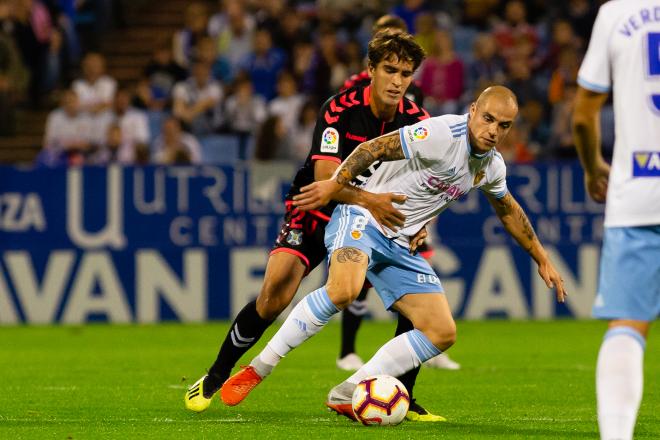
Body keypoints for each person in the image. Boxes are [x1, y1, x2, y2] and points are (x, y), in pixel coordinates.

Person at [221, 85, 567, 420]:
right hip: (362, 216)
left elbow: (507, 209)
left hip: (400, 243)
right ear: (473, 110)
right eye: (488, 118)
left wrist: (542, 257)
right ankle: (259, 368)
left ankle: (350, 389)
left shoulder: (491, 166)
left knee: (441, 331)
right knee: (344, 289)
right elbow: (373, 148)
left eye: (503, 125)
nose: (493, 131)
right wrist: (337, 187)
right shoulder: (441, 133)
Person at [185, 29, 444, 422]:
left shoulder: (417, 121)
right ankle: (218, 373)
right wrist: (373, 199)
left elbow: (425, 181)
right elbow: (327, 182)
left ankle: (403, 394)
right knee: (275, 294)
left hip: (373, 219)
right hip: (317, 207)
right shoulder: (339, 110)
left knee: (413, 295)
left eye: (406, 74)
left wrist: (419, 222)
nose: (397, 81)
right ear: (370, 69)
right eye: (389, 70)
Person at [337, 13, 460, 373]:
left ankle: (415, 353)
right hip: (363, 190)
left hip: (408, 194)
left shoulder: (413, 95)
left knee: (420, 270)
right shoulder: (353, 89)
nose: (397, 78)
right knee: (355, 279)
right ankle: (347, 349)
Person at [571, 2, 660, 439]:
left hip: (639, 191)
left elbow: (584, 117)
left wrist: (592, 168)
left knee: (626, 325)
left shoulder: (616, 13)